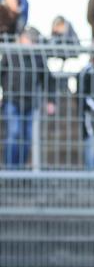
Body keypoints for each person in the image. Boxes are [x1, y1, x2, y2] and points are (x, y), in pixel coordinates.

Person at [1, 28, 57, 167]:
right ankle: (10, 171)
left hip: (30, 103)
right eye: (29, 39)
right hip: (12, 100)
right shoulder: (10, 53)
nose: (31, 43)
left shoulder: (38, 57)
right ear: (22, 39)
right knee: (14, 134)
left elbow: (48, 79)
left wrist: (51, 100)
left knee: (26, 138)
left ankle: (20, 171)